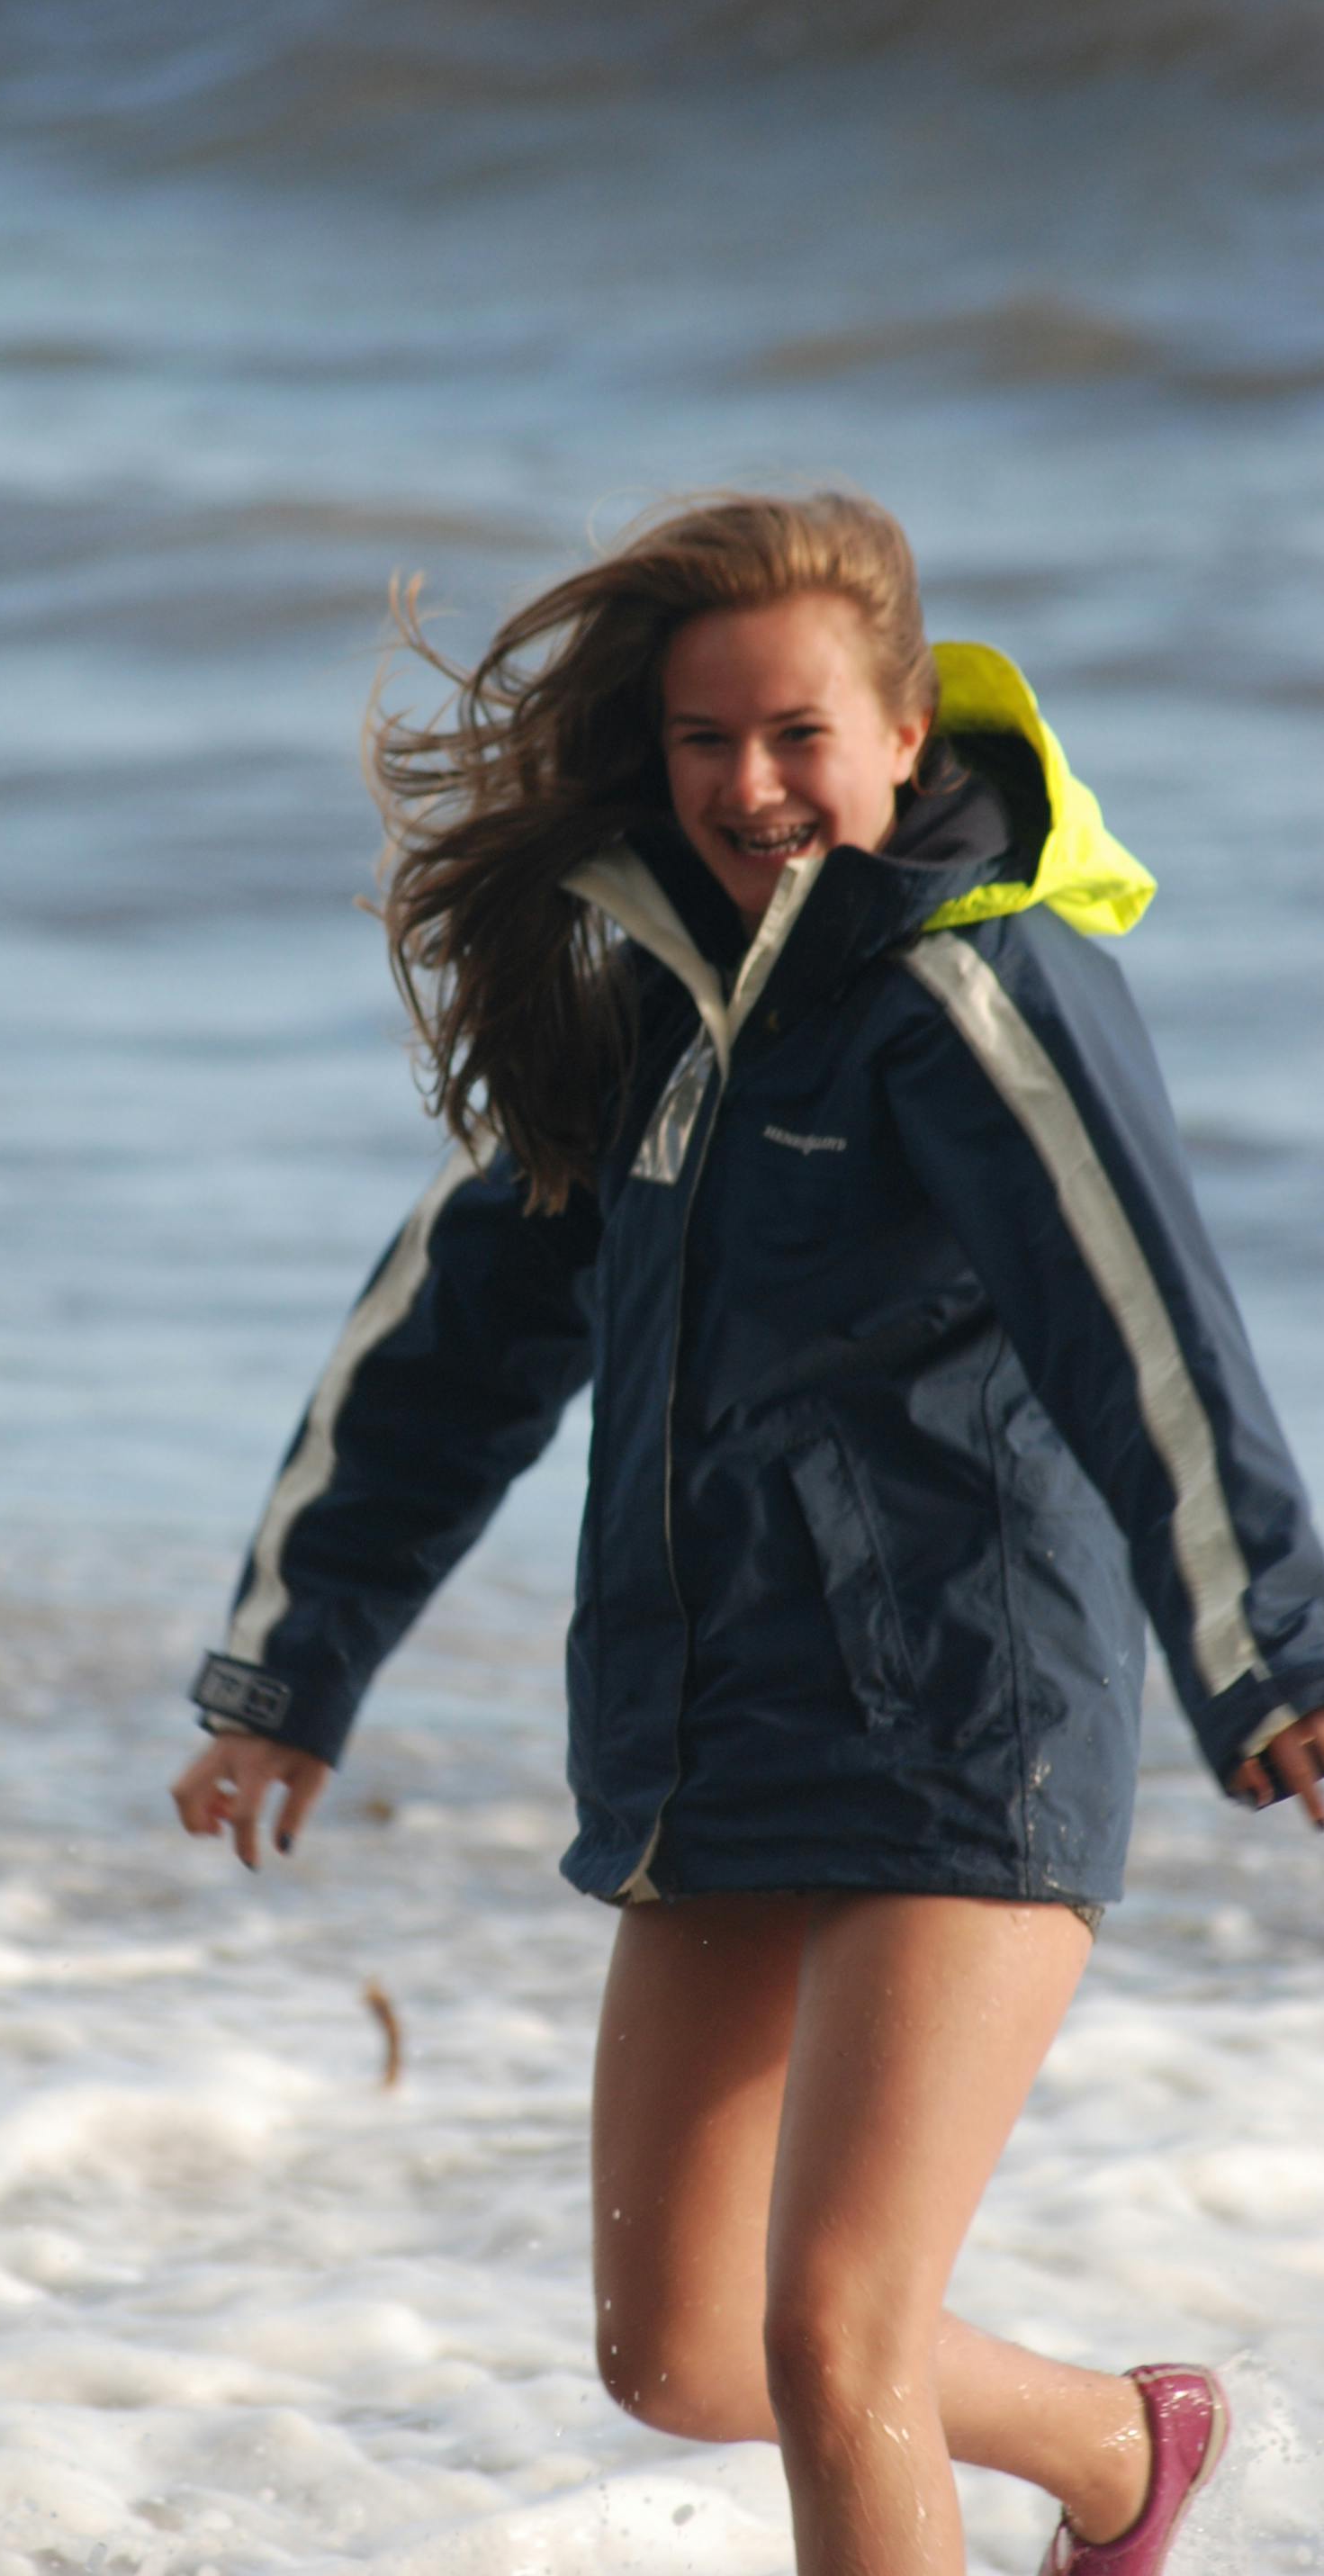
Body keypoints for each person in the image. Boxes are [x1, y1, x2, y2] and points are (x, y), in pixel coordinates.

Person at [170, 491, 1324, 2576]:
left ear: (902, 736)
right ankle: (1123, 2450)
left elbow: (1143, 1327)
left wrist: (1276, 1649)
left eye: (799, 733)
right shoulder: (642, 1032)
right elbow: (438, 1360)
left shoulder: (976, 993)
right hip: (713, 1733)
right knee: (682, 2343)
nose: (753, 784)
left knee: (832, 2327)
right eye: (707, 740)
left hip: (973, 1721)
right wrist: (295, 1666)